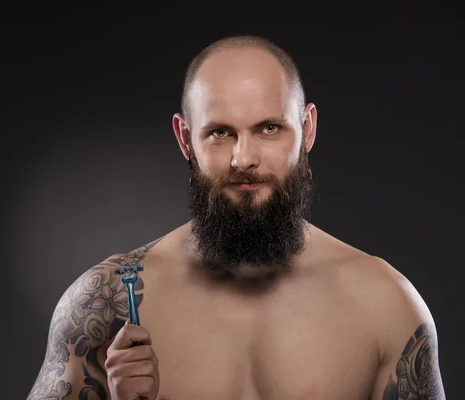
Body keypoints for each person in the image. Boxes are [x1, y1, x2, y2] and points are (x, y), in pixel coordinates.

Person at [27, 35, 445, 400]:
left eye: (269, 129)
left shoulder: (384, 305)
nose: (243, 159)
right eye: (220, 132)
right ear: (185, 138)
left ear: (308, 129)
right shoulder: (104, 302)